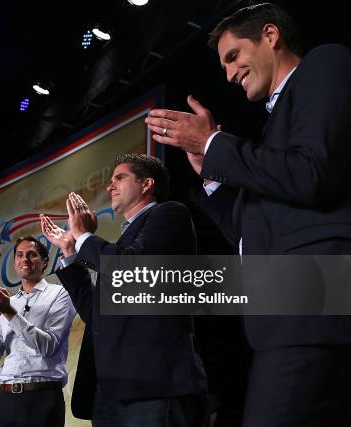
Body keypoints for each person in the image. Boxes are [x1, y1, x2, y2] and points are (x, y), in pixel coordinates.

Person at [145, 3, 351, 426]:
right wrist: (213, 177)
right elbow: (254, 230)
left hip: (313, 311)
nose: (228, 74)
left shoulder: (324, 65)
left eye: (233, 55)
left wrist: (217, 143)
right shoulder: (271, 131)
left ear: (271, 36)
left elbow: (312, 173)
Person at [41, 153, 206, 427]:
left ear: (146, 184)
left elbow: (131, 266)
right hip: (111, 394)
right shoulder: (126, 241)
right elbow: (96, 313)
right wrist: (70, 252)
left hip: (155, 387)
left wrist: (83, 237)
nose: (110, 186)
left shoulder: (170, 213)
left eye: (120, 177)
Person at [0, 236, 76, 427]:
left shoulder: (60, 294)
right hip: (5, 399)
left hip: (42, 398)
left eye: (32, 255)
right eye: (20, 255)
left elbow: (48, 346)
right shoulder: (8, 302)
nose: (25, 259)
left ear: (44, 262)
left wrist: (8, 312)